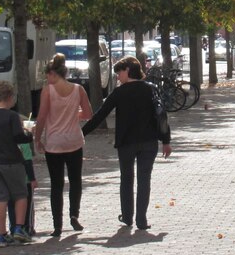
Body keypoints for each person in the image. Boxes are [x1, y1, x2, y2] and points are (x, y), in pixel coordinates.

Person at [82, 57, 172, 230]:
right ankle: (141, 219)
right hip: (149, 142)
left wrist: (81, 133)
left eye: (119, 72)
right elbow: (161, 116)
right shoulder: (151, 89)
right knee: (144, 180)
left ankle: (128, 216)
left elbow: (100, 115)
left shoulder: (119, 93)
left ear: (128, 70)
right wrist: (166, 141)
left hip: (126, 143)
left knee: (126, 179)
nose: (117, 76)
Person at [33, 54, 93, 237]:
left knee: (56, 184)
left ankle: (57, 224)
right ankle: (74, 215)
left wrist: (37, 138)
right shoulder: (78, 89)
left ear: (52, 73)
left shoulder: (48, 91)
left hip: (54, 142)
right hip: (74, 140)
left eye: (47, 75)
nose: (46, 79)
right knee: (75, 181)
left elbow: (42, 117)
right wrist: (75, 115)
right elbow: (89, 113)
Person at [0, 81, 33, 247]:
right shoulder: (12, 116)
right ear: (9, 97)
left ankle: (1, 234)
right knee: (20, 195)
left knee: (0, 198)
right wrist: (29, 134)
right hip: (11, 161)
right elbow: (18, 137)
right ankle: (19, 228)